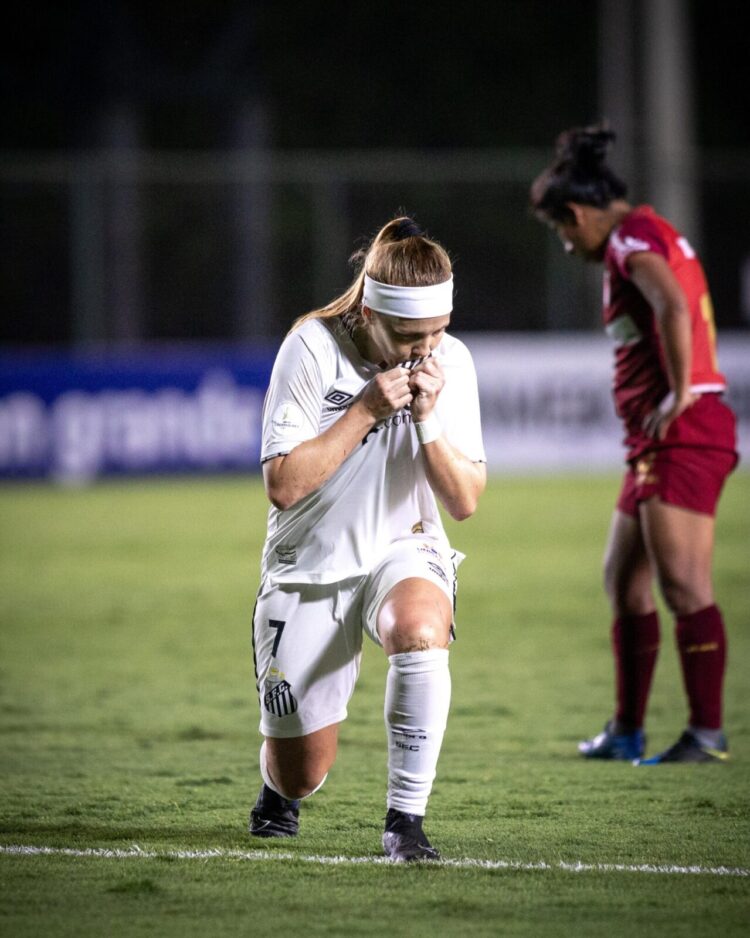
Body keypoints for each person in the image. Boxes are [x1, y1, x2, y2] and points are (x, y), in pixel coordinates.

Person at [248, 216, 486, 859]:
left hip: (402, 545)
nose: (426, 349)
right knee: (303, 769)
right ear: (369, 312)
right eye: (411, 335)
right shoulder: (312, 347)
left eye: (439, 330)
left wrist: (429, 419)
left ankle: (404, 824)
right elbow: (283, 484)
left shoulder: (451, 363)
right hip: (310, 564)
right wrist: (367, 410)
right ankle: (277, 790)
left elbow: (464, 501)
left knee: (419, 628)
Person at [530, 126, 738, 764]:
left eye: (563, 232)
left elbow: (673, 307)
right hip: (655, 442)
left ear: (580, 213)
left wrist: (678, 394)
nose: (567, 246)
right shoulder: (639, 233)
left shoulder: (630, 241)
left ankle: (705, 733)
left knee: (683, 586)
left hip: (683, 434)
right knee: (624, 583)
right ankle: (627, 730)